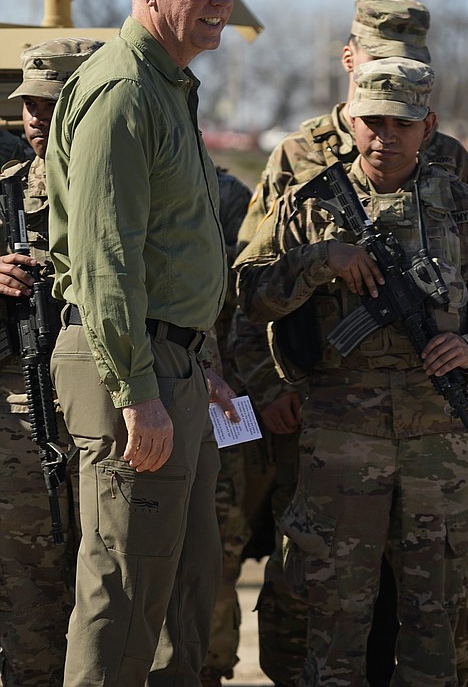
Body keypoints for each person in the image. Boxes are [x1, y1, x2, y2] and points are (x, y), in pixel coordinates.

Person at [234, 57, 468, 687]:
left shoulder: (464, 206)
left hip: (442, 439)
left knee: (439, 620)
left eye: (401, 122)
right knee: (334, 619)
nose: (385, 135)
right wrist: (321, 260)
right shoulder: (309, 204)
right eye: (371, 120)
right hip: (340, 442)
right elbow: (248, 292)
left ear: (427, 125)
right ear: (351, 120)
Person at [44, 0, 240, 685]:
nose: (222, 0)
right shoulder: (124, 90)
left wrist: (196, 366)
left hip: (171, 363)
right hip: (131, 365)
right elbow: (105, 261)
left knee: (182, 591)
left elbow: (164, 255)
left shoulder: (165, 85)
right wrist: (138, 390)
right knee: (124, 590)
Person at [0, 36, 100, 687]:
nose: (35, 117)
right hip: (21, 408)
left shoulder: (125, 184)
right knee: (30, 583)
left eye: (51, 101)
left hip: (108, 406)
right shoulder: (5, 187)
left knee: (107, 584)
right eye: (28, 104)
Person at [200, 166, 256, 687]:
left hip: (221, 394)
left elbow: (246, 301)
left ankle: (210, 669)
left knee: (218, 544)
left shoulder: (226, 195)